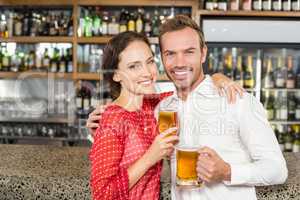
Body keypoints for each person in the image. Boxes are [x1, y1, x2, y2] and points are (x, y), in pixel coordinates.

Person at [89, 31, 243, 200]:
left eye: (149, 62)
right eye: (134, 66)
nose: (147, 72)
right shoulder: (113, 118)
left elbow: (190, 91)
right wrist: (150, 157)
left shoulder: (153, 105)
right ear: (116, 74)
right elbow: (102, 194)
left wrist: (217, 78)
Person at [156, 15, 288, 200]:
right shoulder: (164, 108)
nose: (179, 62)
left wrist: (227, 171)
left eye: (189, 52)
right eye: (170, 53)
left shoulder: (237, 100)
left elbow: (277, 170)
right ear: (161, 57)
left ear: (203, 53)